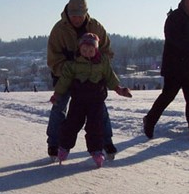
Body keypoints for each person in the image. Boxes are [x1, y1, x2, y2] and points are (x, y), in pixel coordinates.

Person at [46, 0, 117, 161]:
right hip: (64, 75)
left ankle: (106, 141)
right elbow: (53, 58)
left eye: (79, 15)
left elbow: (107, 51)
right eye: (73, 15)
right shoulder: (59, 30)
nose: (76, 19)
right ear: (68, 14)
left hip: (91, 79)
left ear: (86, 13)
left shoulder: (96, 27)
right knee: (59, 107)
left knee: (99, 109)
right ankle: (54, 143)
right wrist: (71, 70)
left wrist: (97, 66)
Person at [51, 33, 132, 168]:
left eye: (90, 50)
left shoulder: (103, 62)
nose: (87, 53)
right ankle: (64, 148)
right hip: (78, 102)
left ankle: (96, 151)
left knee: (95, 126)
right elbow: (64, 80)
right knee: (71, 124)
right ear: (79, 50)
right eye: (84, 50)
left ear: (96, 50)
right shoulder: (74, 64)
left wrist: (120, 89)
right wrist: (57, 94)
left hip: (96, 102)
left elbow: (110, 77)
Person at [143, 0, 189, 138]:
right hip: (175, 67)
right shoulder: (174, 17)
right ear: (186, 1)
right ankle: (150, 120)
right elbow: (172, 38)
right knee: (167, 96)